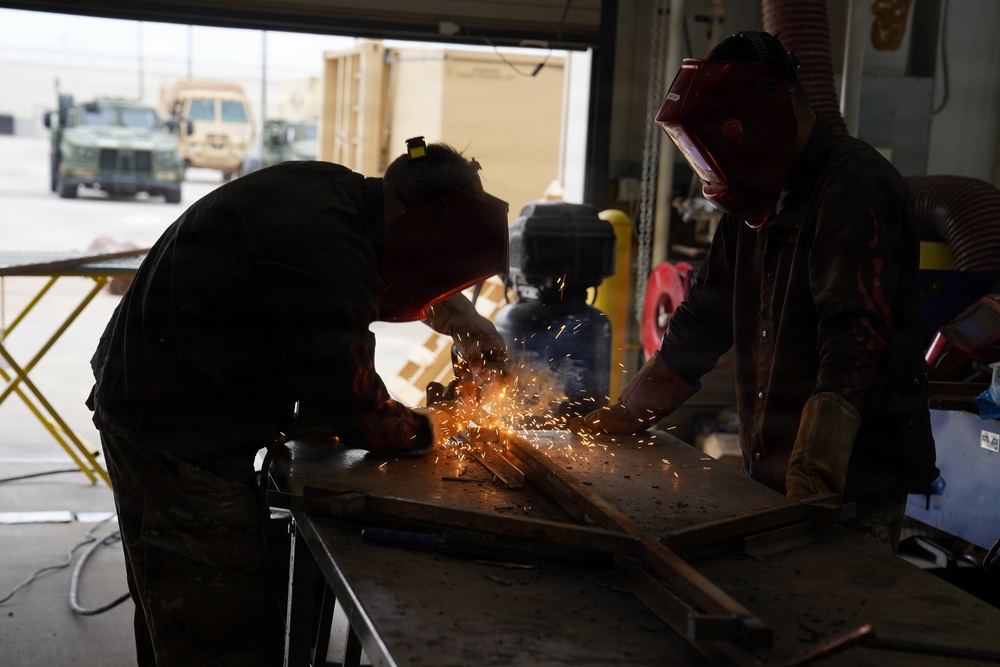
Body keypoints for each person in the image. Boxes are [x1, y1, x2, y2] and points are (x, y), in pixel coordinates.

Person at [87, 137, 509, 666]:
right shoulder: (331, 247)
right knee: (220, 629)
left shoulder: (337, 194)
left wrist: (459, 314)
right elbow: (358, 413)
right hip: (177, 431)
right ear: (421, 213)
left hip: (154, 398)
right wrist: (436, 426)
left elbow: (379, 269)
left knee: (176, 608)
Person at [572, 31, 938, 552]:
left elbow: (855, 338)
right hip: (773, 471)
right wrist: (630, 412)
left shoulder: (853, 186)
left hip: (853, 482)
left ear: (769, 113)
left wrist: (815, 471)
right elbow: (705, 314)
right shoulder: (757, 192)